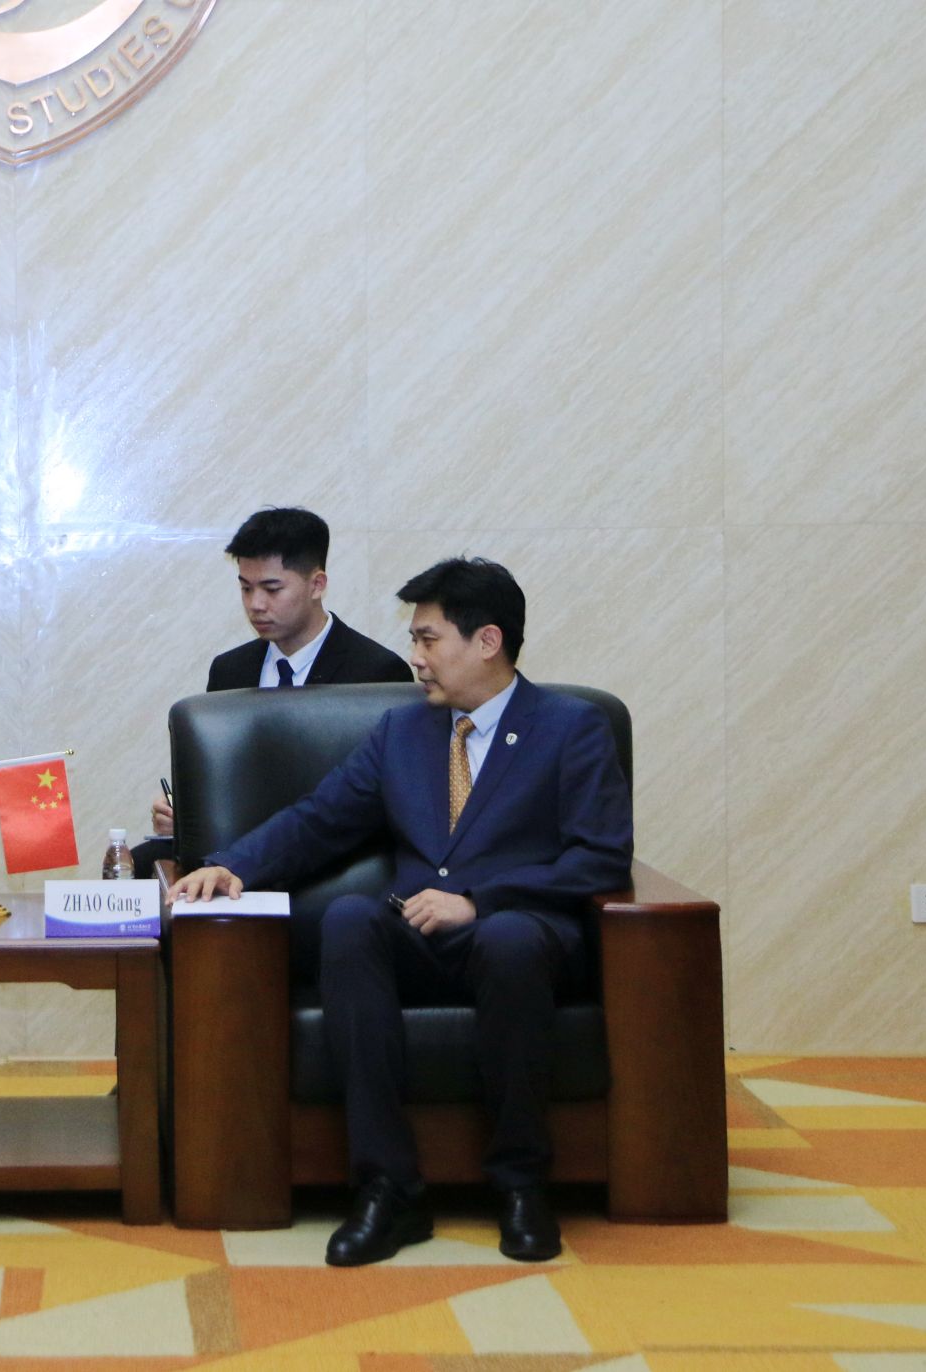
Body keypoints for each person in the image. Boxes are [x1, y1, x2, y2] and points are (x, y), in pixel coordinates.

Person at [168, 557, 632, 1266]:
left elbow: (600, 858)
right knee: (350, 921)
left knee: (508, 940)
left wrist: (479, 902)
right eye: (414, 639)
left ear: (487, 641)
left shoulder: (572, 727)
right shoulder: (403, 732)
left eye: (428, 639)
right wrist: (232, 864)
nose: (414, 657)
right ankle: (389, 1188)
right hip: (418, 933)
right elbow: (319, 819)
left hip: (520, 933)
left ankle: (521, 1185)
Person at [137, 507, 411, 873]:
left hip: (330, 859)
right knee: (135, 864)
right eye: (245, 588)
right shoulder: (230, 670)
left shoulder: (377, 673)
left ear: (317, 585)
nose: (255, 604)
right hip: (235, 852)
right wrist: (183, 812)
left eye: (272, 589)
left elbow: (383, 803)